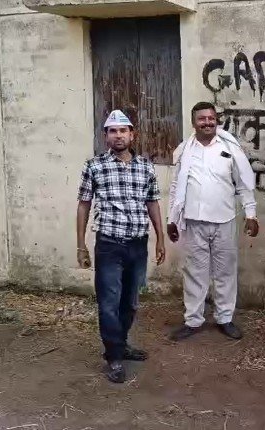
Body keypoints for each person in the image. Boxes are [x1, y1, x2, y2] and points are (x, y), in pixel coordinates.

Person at [76, 109, 165, 383]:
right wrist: (81, 245)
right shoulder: (94, 166)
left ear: (132, 135)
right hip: (109, 245)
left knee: (131, 302)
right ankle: (113, 357)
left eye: (123, 130)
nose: (118, 135)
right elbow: (84, 205)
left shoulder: (145, 167)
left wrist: (160, 238)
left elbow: (152, 202)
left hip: (138, 245)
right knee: (109, 303)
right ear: (106, 136)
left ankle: (121, 344)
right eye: (113, 131)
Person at [167, 102, 259, 341]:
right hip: (194, 222)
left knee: (225, 272)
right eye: (202, 119)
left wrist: (251, 214)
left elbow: (243, 184)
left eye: (211, 118)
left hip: (224, 220)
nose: (207, 122)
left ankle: (225, 318)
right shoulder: (185, 151)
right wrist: (172, 219)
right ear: (193, 122)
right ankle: (193, 320)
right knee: (194, 273)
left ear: (216, 120)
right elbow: (176, 186)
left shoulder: (229, 148)